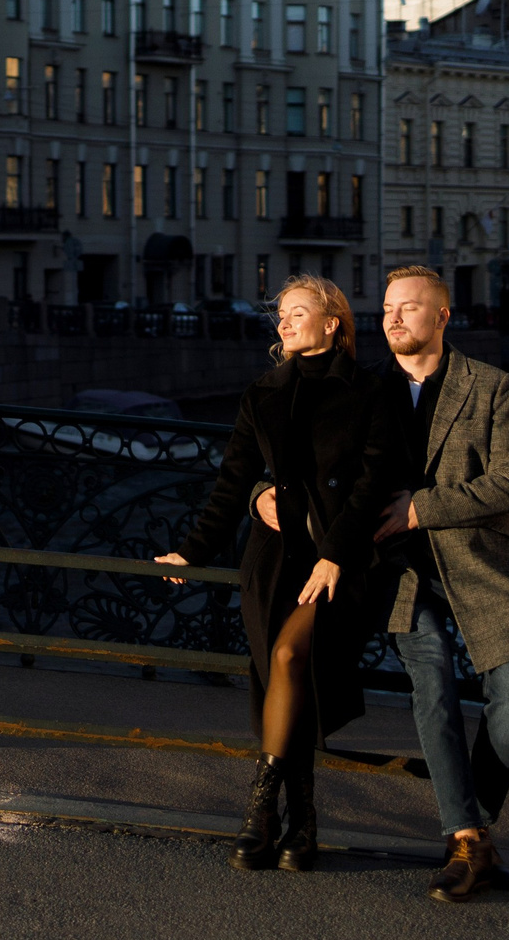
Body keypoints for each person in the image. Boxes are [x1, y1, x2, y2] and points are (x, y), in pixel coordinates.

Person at [156, 275, 392, 871]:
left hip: (336, 559)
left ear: (332, 322)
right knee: (286, 677)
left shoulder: (370, 390)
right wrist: (193, 551)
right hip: (272, 559)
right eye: (279, 315)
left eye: (296, 313)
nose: (282, 324)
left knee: (290, 660)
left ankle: (260, 808)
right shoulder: (263, 391)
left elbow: (370, 485)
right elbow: (233, 480)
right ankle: (302, 822)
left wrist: (337, 553)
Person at [373, 264, 509, 902]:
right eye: (387, 308)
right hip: (401, 575)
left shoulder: (491, 386)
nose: (393, 318)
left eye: (408, 308)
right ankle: (469, 839)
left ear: (442, 316)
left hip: (480, 567)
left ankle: (471, 831)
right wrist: (261, 493)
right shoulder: (368, 391)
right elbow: (308, 460)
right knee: (434, 687)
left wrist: (420, 508)